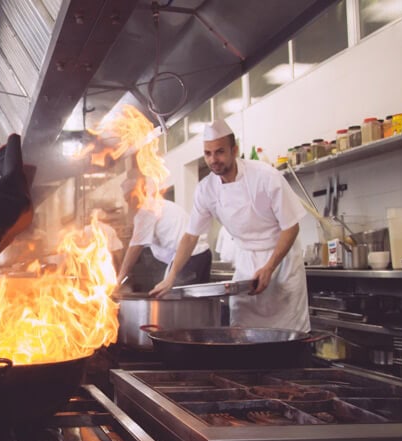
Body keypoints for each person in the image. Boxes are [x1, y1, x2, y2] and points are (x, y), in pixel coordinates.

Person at [150, 119, 309, 331]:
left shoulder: (265, 177)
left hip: (281, 264)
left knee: (287, 333)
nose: (213, 159)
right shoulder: (206, 189)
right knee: (241, 329)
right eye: (208, 153)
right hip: (246, 264)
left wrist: (270, 267)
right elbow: (190, 236)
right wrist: (171, 277)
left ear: (234, 150)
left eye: (220, 152)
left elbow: (291, 227)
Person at [117, 177, 211, 292]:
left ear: (136, 193)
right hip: (203, 254)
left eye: (128, 198)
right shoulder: (160, 204)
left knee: (174, 300)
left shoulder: (146, 210)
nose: (129, 203)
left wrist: (119, 279)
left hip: (188, 258)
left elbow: (135, 248)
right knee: (199, 301)